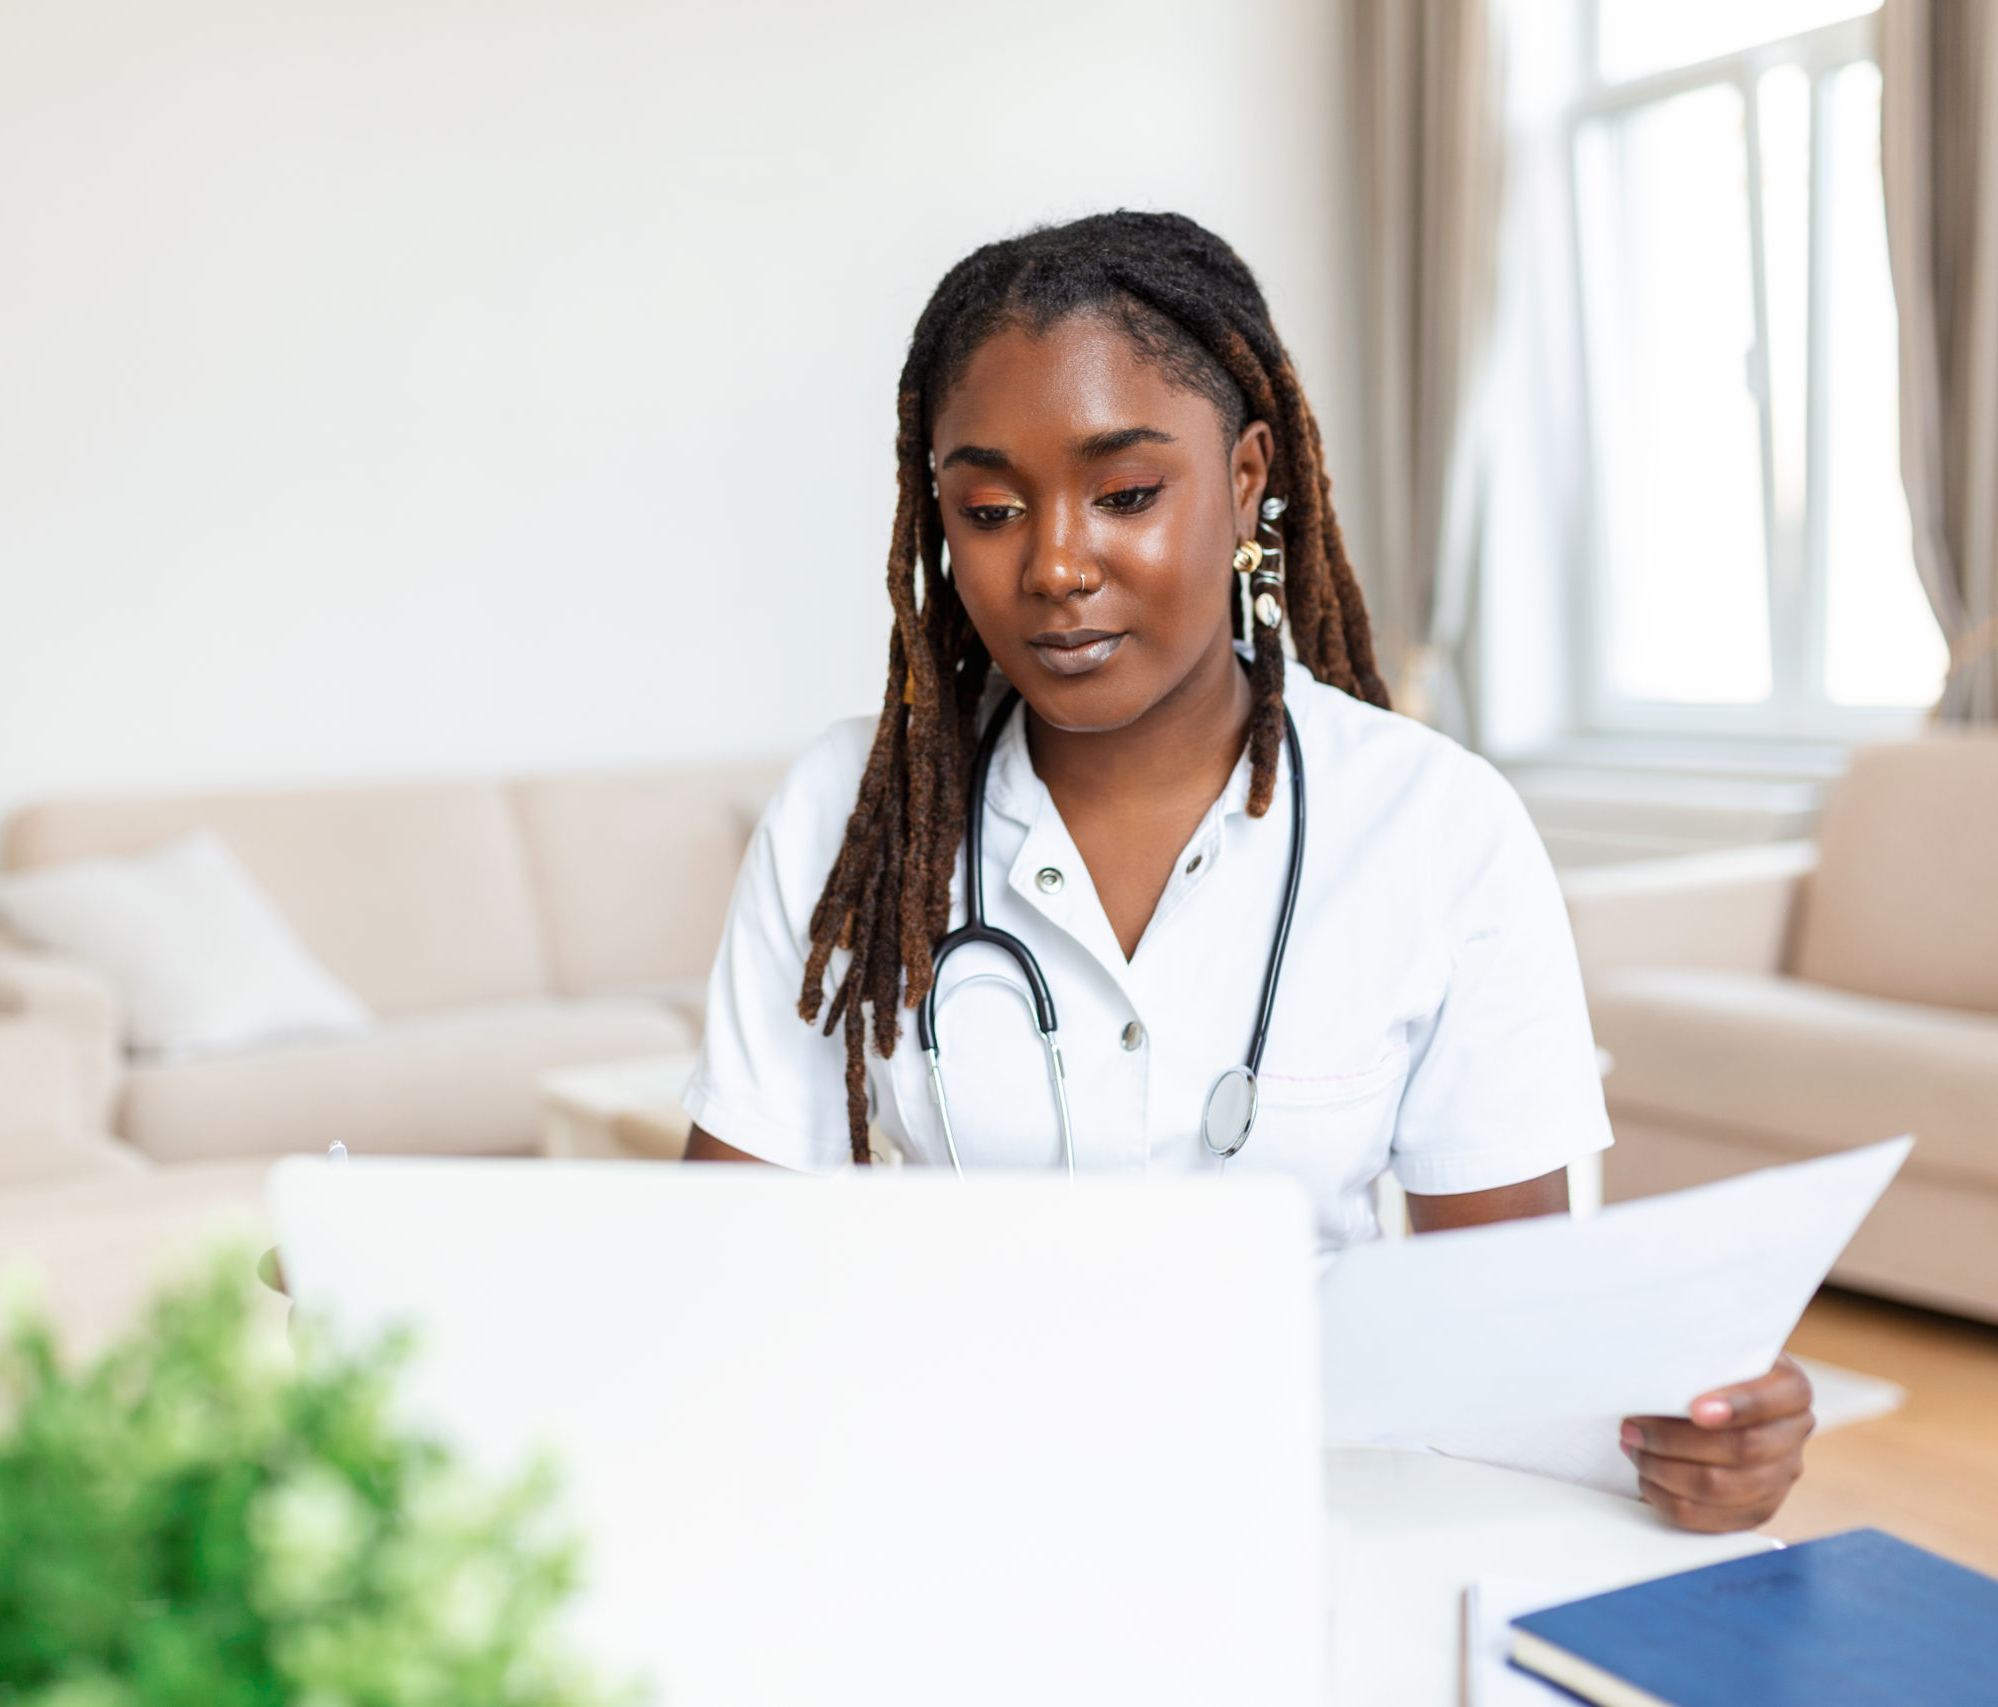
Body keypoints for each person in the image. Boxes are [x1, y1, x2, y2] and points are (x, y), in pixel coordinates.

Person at [681, 211, 1811, 1533]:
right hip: (950, 1504)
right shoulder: (849, 814)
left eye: (1126, 494)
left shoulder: (1434, 828)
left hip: (1322, 1522)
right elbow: (722, 1277)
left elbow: (1514, 1339)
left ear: (1248, 475)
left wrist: (1692, 1443)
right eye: (989, 509)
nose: (1054, 564)